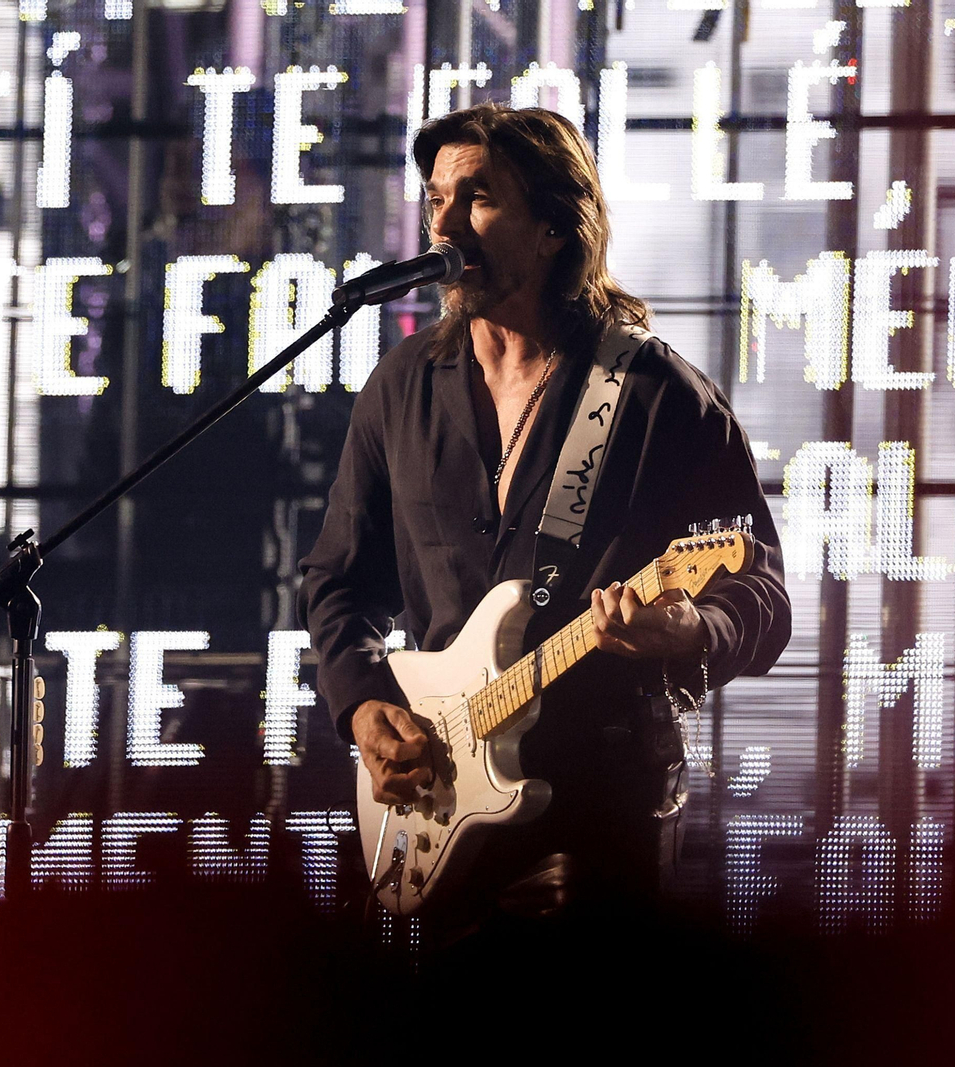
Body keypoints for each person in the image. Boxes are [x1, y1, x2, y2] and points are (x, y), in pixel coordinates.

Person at [298, 103, 790, 921]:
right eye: (435, 198)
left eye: (480, 197)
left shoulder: (655, 397)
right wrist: (362, 703)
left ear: (554, 227)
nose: (446, 222)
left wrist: (691, 631)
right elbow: (337, 579)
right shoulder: (402, 386)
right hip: (443, 809)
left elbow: (761, 592)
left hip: (597, 818)